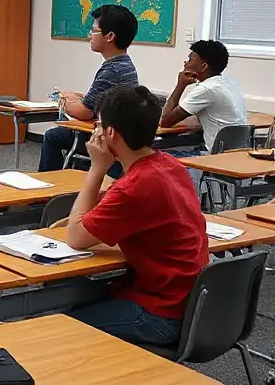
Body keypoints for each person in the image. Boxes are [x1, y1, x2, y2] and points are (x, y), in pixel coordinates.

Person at [66, 86, 208, 346]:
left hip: (162, 313)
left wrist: (97, 169)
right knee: (90, 297)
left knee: (65, 325)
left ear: (109, 133)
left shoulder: (133, 188)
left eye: (98, 124)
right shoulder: (170, 165)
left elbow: (75, 237)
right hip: (192, 304)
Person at [39, 4, 139, 173]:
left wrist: (60, 99)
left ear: (110, 36)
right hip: (119, 134)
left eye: (93, 30)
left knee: (53, 136)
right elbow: (95, 102)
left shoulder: (111, 70)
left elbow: (85, 111)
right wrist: (76, 98)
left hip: (107, 140)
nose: (89, 35)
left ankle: (46, 193)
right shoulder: (124, 64)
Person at [160, 40, 246, 155]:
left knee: (152, 153)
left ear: (203, 66)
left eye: (191, 59)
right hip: (235, 151)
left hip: (214, 155)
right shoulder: (229, 83)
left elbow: (165, 122)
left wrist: (180, 86)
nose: (186, 63)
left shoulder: (206, 89)